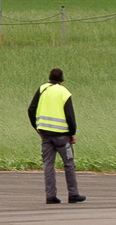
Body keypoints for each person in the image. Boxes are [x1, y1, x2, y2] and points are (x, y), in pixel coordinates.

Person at [27, 68, 86, 205]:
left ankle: (51, 196)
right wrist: (72, 133)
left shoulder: (42, 89)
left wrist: (36, 126)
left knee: (48, 164)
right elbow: (70, 115)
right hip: (62, 136)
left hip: (45, 134)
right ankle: (73, 194)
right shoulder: (64, 92)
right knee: (69, 164)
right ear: (62, 78)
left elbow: (31, 109)